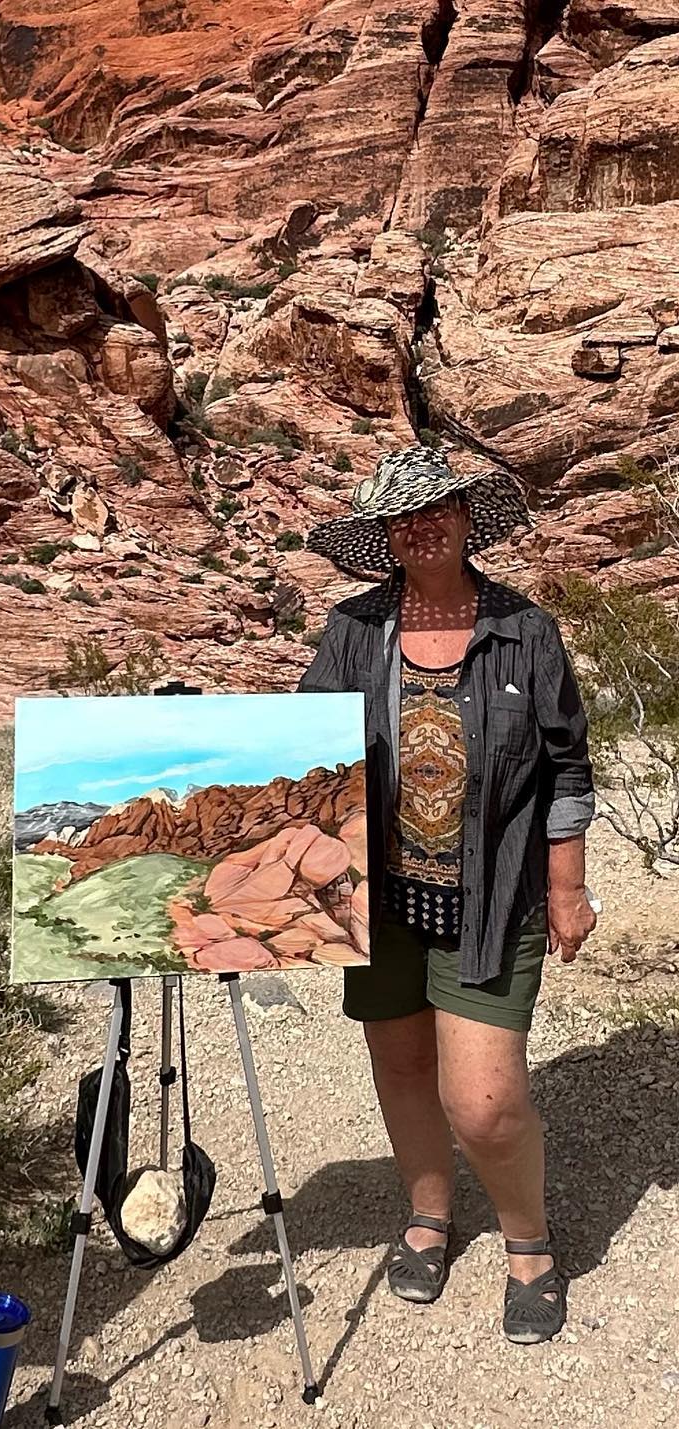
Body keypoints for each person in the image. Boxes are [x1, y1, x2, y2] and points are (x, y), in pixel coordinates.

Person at [298, 443, 597, 1344]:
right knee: (399, 1064)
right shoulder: (353, 628)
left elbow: (566, 766)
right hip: (379, 904)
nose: (420, 526)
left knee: (486, 1101)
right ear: (383, 534)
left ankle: (530, 1245)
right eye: (401, 516)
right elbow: (306, 748)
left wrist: (568, 885)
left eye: (438, 509)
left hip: (493, 895)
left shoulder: (525, 629)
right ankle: (428, 1218)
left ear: (470, 518)